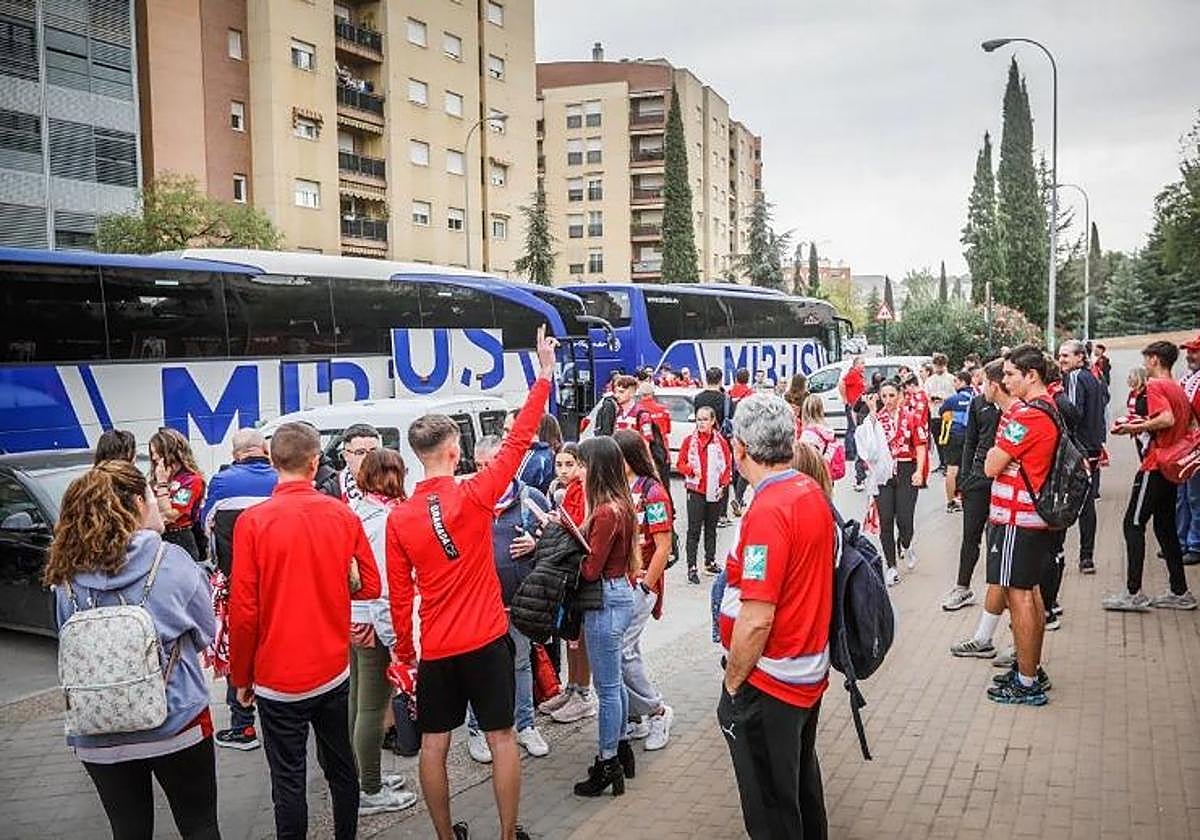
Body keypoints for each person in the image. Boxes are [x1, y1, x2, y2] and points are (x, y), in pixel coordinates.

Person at [385, 326, 556, 840]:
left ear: (418, 455)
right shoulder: (477, 494)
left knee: (435, 745)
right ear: (455, 453)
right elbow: (520, 438)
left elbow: (400, 597)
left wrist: (406, 655)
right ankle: (507, 834)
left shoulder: (400, 518)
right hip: (485, 639)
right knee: (503, 738)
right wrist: (544, 374)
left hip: (437, 648)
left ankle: (444, 836)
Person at [45, 460, 219, 840]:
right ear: (138, 502)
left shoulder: (66, 574)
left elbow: (66, 633)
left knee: (127, 829)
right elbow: (207, 631)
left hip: (98, 726)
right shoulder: (171, 560)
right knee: (199, 824)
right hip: (177, 720)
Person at [229, 422, 382, 840]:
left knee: (288, 780)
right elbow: (370, 584)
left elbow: (243, 612)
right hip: (332, 668)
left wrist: (241, 677)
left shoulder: (253, 522)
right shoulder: (341, 514)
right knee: (341, 769)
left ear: (273, 461)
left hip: (277, 678)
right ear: (315, 463)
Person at [717, 393, 834, 840]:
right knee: (799, 787)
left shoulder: (769, 509)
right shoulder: (810, 492)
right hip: (804, 672)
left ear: (740, 447)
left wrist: (732, 683)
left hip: (771, 680)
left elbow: (757, 617)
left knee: (770, 806)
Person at [463, 435, 553, 765]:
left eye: (492, 465)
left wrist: (535, 543)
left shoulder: (532, 498)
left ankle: (526, 725)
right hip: (480, 604)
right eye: (480, 466)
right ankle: (477, 729)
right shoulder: (469, 498)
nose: (486, 472)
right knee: (481, 670)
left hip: (519, 601)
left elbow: (557, 541)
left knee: (520, 663)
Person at [981, 345, 1058, 705]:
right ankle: (1030, 669)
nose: (1006, 381)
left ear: (1032, 375)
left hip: (1017, 517)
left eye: (1011, 374)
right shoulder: (1045, 409)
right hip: (1027, 518)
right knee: (1030, 593)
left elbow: (992, 465)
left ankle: (1027, 683)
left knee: (1020, 595)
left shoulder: (1027, 417)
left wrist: (1001, 444)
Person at [346, 449, 419, 814]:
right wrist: (397, 642)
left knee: (358, 703)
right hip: (375, 620)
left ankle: (361, 776)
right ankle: (370, 789)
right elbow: (386, 586)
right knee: (372, 708)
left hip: (354, 618)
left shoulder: (357, 510)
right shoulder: (387, 519)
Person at [1104, 340, 1198, 611]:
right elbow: (1187, 422)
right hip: (1171, 466)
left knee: (1132, 523)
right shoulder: (1177, 386)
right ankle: (1180, 591)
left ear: (1155, 360)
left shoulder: (1156, 385)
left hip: (1156, 464)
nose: (1145, 365)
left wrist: (1138, 426)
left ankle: (1133, 593)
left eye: (1146, 360)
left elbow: (1166, 419)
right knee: (1165, 528)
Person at [201, 428, 278, 751]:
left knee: (239, 651)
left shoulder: (222, 482)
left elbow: (206, 528)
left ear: (235, 455)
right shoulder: (280, 478)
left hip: (238, 585)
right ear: (264, 450)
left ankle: (243, 726)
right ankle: (280, 719)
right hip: (278, 585)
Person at [571, 436, 639, 797]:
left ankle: (608, 759)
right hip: (620, 594)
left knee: (607, 688)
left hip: (605, 600)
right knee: (616, 685)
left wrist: (569, 547)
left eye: (582, 464)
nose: (579, 471)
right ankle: (622, 747)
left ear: (595, 467)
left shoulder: (603, 512)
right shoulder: (621, 505)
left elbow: (590, 570)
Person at [613, 430, 674, 751]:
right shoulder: (621, 488)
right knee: (627, 651)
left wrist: (646, 587)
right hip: (621, 584)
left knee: (623, 650)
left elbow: (664, 545)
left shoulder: (653, 493)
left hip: (640, 585)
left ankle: (657, 710)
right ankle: (638, 716)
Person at [540, 441, 598, 724]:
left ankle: (583, 693)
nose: (563, 470)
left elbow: (584, 526)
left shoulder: (586, 491)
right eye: (559, 464)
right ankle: (572, 687)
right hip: (567, 569)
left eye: (570, 465)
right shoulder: (562, 490)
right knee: (569, 633)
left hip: (580, 571)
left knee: (580, 635)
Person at [944, 360, 1004, 614]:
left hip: (1003, 479)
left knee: (997, 538)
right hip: (977, 480)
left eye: (983, 381)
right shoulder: (979, 403)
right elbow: (970, 441)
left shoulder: (1015, 407)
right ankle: (962, 587)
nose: (978, 385)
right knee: (970, 535)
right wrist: (964, 478)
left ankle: (1000, 591)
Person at [860, 381, 928, 585]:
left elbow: (921, 446)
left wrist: (918, 471)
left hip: (906, 470)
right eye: (884, 396)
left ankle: (906, 544)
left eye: (892, 395)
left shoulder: (911, 417)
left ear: (900, 395)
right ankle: (890, 566)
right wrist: (872, 413)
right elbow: (866, 446)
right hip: (883, 474)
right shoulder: (876, 420)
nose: (888, 400)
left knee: (905, 520)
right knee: (886, 521)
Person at [1058, 339, 1108, 574]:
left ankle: (1056, 553)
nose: (1061, 361)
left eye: (1066, 356)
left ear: (1080, 357)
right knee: (1087, 504)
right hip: (1093, 446)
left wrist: (1056, 400)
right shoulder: (1094, 377)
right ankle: (1086, 557)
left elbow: (1074, 413)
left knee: (1066, 500)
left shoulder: (1076, 377)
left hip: (1079, 449)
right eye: (1060, 356)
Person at [676, 406, 733, 582]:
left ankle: (710, 561)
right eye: (699, 419)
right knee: (693, 530)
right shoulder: (688, 441)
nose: (701, 423)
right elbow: (680, 463)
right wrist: (691, 470)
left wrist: (723, 484)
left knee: (711, 528)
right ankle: (691, 567)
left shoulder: (720, 441)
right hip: (695, 490)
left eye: (705, 419)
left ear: (713, 421)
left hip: (714, 490)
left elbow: (727, 464)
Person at [149, 428, 207, 563]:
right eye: (152, 453)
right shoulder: (153, 480)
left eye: (157, 453)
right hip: (157, 538)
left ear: (170, 452)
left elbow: (171, 514)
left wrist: (162, 484)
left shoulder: (191, 480)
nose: (154, 458)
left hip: (180, 538)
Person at [1175, 335, 1200, 566]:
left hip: (1196, 447)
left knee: (1194, 497)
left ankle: (1195, 544)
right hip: (1185, 447)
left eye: (1194, 351)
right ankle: (1180, 541)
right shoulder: (1188, 379)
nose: (1190, 355)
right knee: (1182, 496)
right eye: (1189, 351)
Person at [939, 370, 976, 513]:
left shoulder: (952, 400)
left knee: (951, 470)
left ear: (962, 382)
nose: (954, 383)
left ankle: (950, 502)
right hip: (971, 437)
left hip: (953, 436)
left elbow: (941, 412)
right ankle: (968, 499)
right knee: (968, 468)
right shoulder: (976, 397)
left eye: (955, 381)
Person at [319, 423, 381, 501]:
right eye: (360, 452)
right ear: (346, 455)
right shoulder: (332, 489)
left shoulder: (390, 483)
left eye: (373, 451)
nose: (368, 457)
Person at [502, 410, 556, 495]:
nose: (504, 437)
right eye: (504, 431)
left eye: (509, 431)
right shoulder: (547, 454)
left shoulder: (532, 459)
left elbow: (513, 496)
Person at [839, 356, 868, 490]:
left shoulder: (859, 375)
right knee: (852, 429)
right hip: (853, 407)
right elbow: (842, 384)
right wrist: (846, 400)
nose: (864, 365)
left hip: (860, 408)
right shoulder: (852, 374)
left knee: (855, 430)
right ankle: (850, 452)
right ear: (856, 364)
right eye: (862, 363)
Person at [924, 353, 955, 473]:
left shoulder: (951, 378)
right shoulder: (930, 380)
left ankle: (948, 462)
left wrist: (943, 398)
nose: (939, 368)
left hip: (947, 413)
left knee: (947, 439)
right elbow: (926, 393)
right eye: (937, 365)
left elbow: (954, 394)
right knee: (937, 439)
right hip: (934, 412)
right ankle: (942, 462)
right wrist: (932, 398)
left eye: (941, 366)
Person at [799, 394, 843, 480]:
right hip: (827, 475)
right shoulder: (827, 429)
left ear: (804, 411)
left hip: (815, 477)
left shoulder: (808, 435)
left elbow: (805, 462)